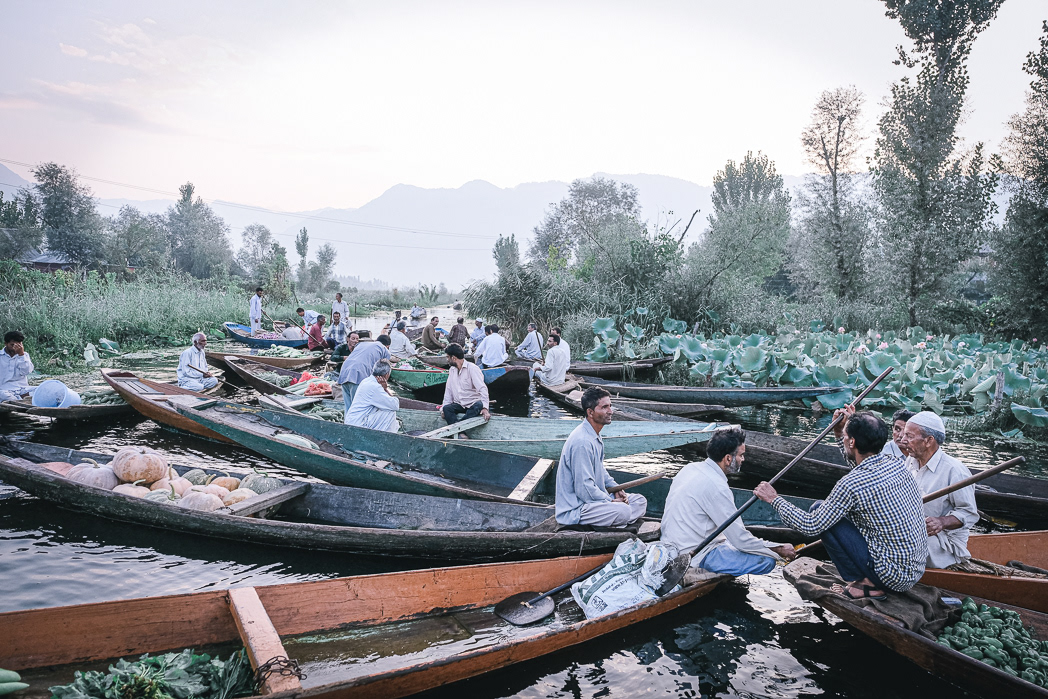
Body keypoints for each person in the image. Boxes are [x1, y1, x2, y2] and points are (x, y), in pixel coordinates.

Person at [755, 411, 927, 599]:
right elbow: (860, 468)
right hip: (915, 571)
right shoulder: (896, 464)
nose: (845, 440)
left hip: (891, 577)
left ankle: (864, 584)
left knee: (818, 512)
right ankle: (866, 579)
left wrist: (774, 500)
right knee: (823, 509)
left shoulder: (851, 484)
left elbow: (810, 526)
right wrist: (840, 432)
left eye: (846, 438)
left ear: (852, 442)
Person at [661, 427, 796, 575]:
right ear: (728, 459)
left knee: (732, 540)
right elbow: (741, 541)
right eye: (741, 455)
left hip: (670, 545)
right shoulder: (717, 487)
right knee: (767, 561)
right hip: (693, 555)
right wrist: (778, 548)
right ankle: (699, 573)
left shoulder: (689, 468)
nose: (743, 459)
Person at [555, 387, 647, 528]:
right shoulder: (582, 442)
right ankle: (618, 518)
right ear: (590, 412)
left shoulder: (594, 435)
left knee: (640, 501)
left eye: (610, 406)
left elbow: (600, 469)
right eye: (604, 407)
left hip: (594, 501)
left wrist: (616, 488)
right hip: (577, 508)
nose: (610, 411)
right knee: (623, 510)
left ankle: (616, 519)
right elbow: (584, 489)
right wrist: (609, 502)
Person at [900, 411, 979, 570]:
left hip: (943, 544)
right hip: (912, 530)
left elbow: (969, 514)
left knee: (899, 541)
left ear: (929, 441)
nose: (903, 440)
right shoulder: (910, 461)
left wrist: (941, 522)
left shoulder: (955, 471)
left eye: (909, 436)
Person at [337, 334, 392, 412]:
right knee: (358, 407)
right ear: (388, 346)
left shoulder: (362, 344)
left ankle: (347, 422)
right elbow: (384, 371)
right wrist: (384, 387)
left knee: (348, 407)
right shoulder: (385, 350)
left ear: (376, 340)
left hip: (344, 372)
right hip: (358, 374)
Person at [441, 343, 491, 425]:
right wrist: (443, 409)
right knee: (447, 409)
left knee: (479, 405)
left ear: (453, 358)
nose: (447, 360)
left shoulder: (472, 368)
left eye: (448, 357)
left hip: (472, 404)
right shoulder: (452, 370)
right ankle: (461, 432)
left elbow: (482, 389)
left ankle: (457, 429)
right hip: (459, 404)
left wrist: (485, 408)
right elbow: (448, 391)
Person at [345, 361, 400, 433]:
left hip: (353, 420)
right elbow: (395, 405)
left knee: (390, 414)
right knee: (390, 411)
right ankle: (388, 438)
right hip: (358, 423)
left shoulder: (366, 380)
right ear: (387, 375)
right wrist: (386, 389)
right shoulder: (375, 386)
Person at [0, 331, 35, 402]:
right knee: (5, 396)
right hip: (4, 390)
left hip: (22, 389)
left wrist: (21, 355)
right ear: (6, 344)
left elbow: (26, 371)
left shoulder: (24, 355)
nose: (15, 347)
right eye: (12, 345)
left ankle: (20, 400)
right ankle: (20, 401)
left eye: (19, 344)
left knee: (42, 390)